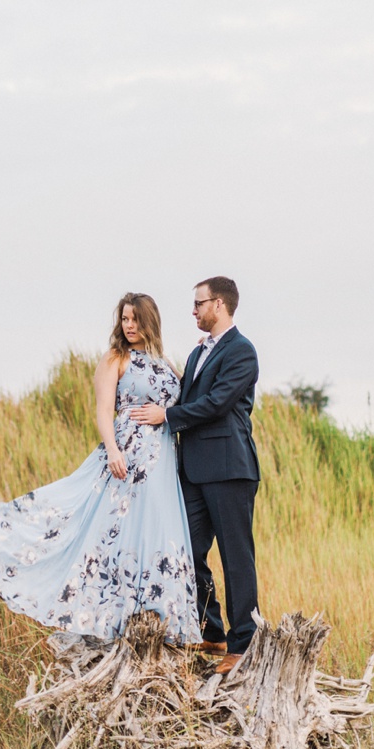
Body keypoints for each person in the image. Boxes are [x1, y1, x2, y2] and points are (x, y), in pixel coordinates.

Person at [0, 293, 201, 645]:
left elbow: (186, 397)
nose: (130, 326)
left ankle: (162, 618)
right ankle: (117, 617)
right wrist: (113, 450)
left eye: (136, 319)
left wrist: (199, 357)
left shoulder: (165, 361)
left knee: (158, 529)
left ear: (150, 320)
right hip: (129, 455)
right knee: (119, 530)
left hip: (165, 461)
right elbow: (103, 410)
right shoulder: (115, 358)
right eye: (125, 319)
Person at [130, 276, 260, 675]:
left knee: (236, 558)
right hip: (193, 469)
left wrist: (166, 416)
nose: (193, 311)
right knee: (186, 551)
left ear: (218, 305)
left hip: (230, 467)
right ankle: (213, 629)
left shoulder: (242, 352)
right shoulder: (196, 351)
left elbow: (217, 403)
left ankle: (243, 643)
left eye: (198, 303)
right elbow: (187, 397)